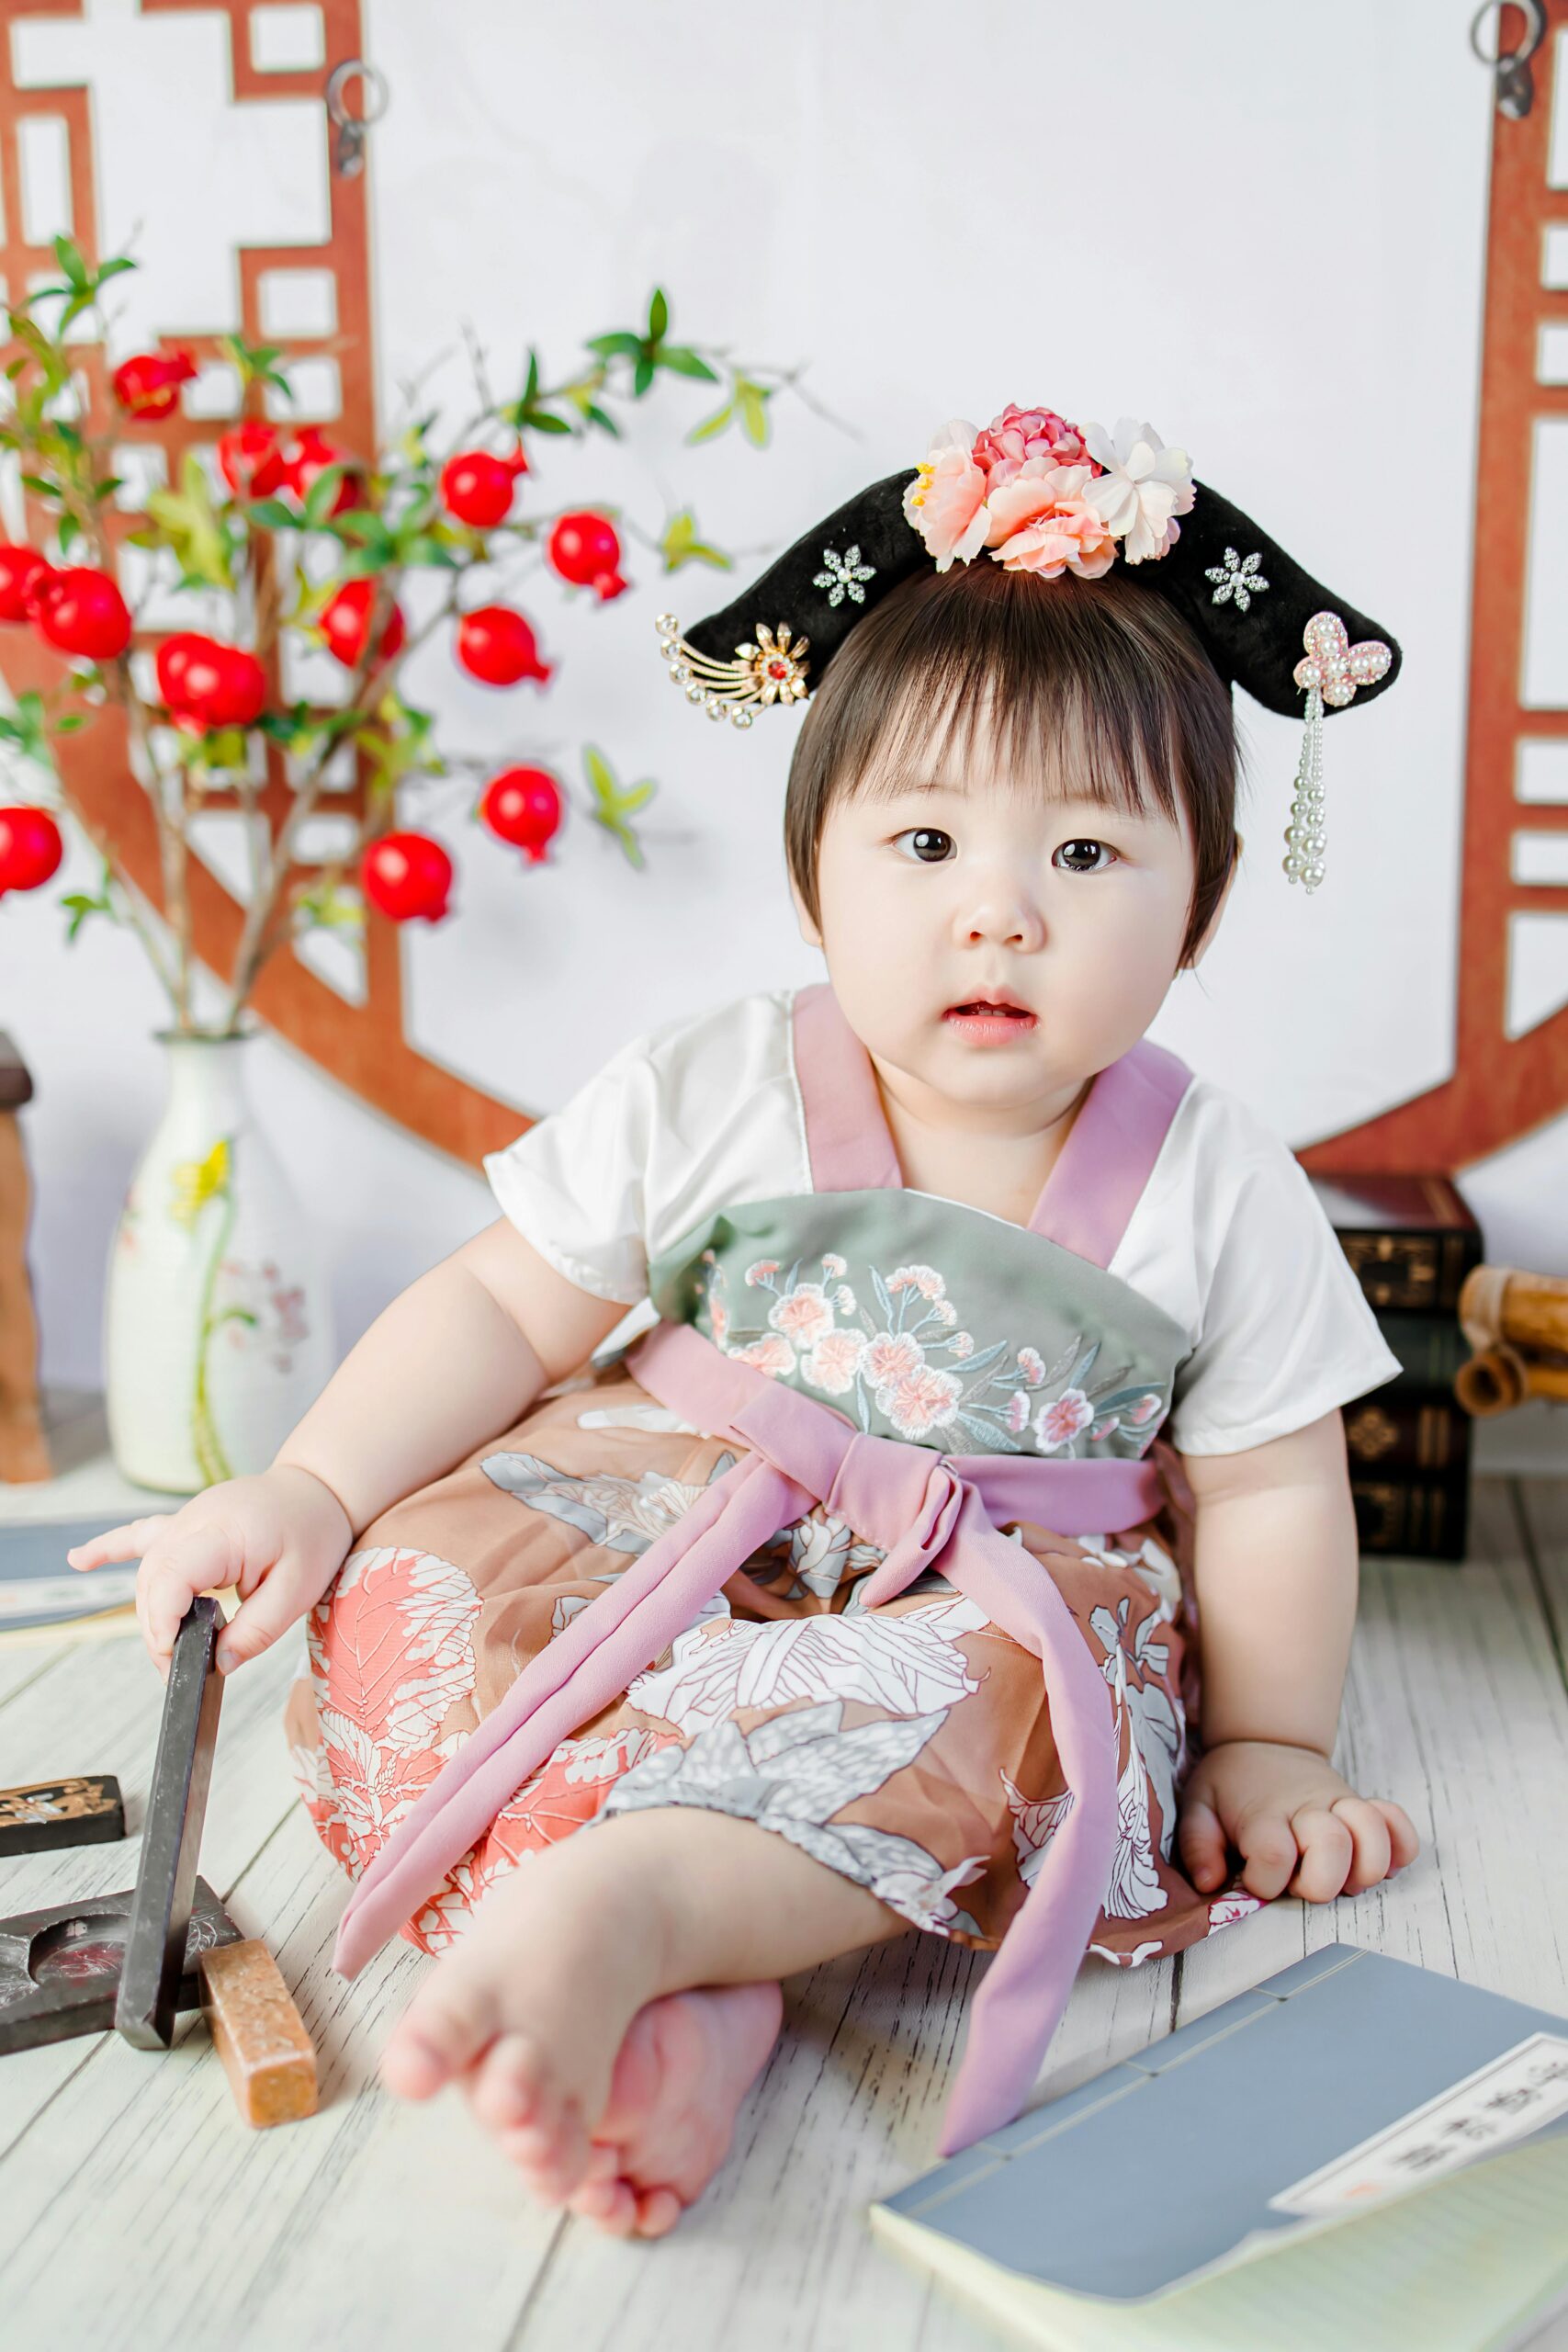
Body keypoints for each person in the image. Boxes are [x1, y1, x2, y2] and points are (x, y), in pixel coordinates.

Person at [71, 403, 1420, 2241]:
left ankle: (631, 1913)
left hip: (974, 1577)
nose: (1000, 916)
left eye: (1088, 857)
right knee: (413, 1586)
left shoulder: (1211, 1174)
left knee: (1006, 1703)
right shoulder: (715, 1081)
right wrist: (312, 1484)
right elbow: (501, 1300)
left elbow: (1267, 1484)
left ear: (1200, 901)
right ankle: (698, 1989)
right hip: (661, 1514)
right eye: (926, 841)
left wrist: (1270, 1740)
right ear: (813, 878)